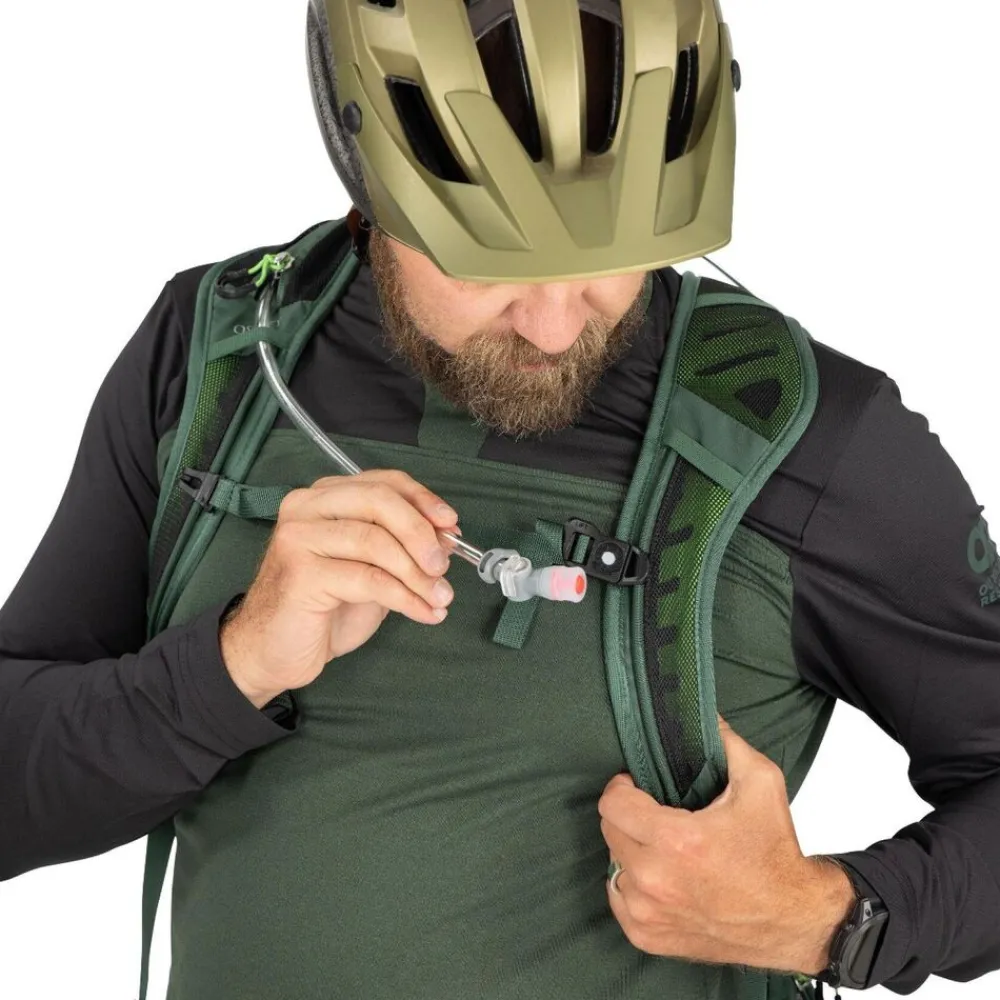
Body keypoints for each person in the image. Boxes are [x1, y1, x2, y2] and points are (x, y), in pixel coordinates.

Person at [1, 1, 998, 998]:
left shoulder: (814, 437)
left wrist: (828, 916)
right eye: (489, 262)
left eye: (609, 256)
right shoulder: (216, 355)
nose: (555, 328)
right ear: (368, 183)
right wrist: (235, 661)